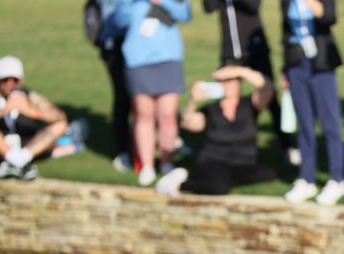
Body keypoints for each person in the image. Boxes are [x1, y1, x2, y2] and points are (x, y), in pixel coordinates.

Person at [156, 65, 277, 195]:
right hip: (215, 161)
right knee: (218, 188)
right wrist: (193, 101)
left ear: (239, 82)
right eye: (223, 81)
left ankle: (219, 180)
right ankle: (177, 186)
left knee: (269, 174)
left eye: (231, 80)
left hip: (243, 163)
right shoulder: (211, 110)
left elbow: (268, 87)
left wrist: (242, 71)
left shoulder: (249, 105)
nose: (227, 84)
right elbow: (188, 123)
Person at [203, 0, 295, 162]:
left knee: (271, 97)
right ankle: (221, 145)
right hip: (229, 52)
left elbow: (253, 5)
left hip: (255, 49)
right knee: (224, 98)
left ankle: (287, 146)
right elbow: (209, 7)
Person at [114, 0, 193, 187]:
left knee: (167, 115)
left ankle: (167, 162)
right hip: (138, 59)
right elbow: (120, 21)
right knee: (144, 115)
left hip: (169, 57)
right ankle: (147, 165)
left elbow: (185, 15)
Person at [279, 0, 344, 205]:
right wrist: (285, 69)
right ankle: (307, 178)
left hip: (322, 64)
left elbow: (328, 17)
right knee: (305, 124)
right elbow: (285, 31)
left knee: (330, 123)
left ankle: (337, 179)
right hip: (296, 63)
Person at [0, 56, 68, 181]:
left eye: (15, 80)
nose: (10, 84)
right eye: (5, 79)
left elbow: (59, 116)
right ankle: (18, 162)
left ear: (21, 79)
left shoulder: (28, 96)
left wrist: (32, 112)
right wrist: (0, 112)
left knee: (60, 125)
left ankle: (19, 161)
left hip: (24, 147)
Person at [95, 0, 134, 172]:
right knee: (123, 96)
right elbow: (119, 16)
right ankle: (122, 150)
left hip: (142, 39)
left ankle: (162, 142)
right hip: (115, 40)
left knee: (148, 94)